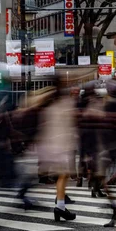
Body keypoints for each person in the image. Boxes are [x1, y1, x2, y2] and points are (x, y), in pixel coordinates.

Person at [34, 81, 77, 222]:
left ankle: (61, 207)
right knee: (63, 176)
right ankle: (60, 207)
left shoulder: (49, 108)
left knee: (62, 176)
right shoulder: (65, 105)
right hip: (61, 148)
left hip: (51, 147)